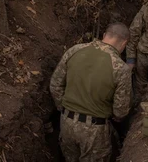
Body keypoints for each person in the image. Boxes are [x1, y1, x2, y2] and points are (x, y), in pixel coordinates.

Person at [50, 22, 132, 162]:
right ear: (124, 43)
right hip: (94, 131)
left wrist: (63, 107)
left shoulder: (74, 50)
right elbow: (121, 110)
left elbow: (55, 85)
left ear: (104, 35)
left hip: (66, 123)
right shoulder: (121, 68)